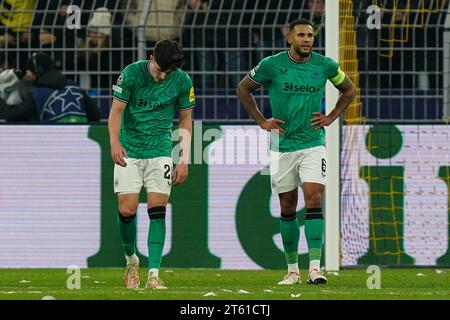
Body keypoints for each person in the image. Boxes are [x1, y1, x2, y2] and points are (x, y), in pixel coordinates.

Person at [236, 19, 356, 285]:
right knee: (287, 206)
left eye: (310, 35)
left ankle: (315, 268)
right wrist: (261, 120)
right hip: (282, 145)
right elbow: (243, 88)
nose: (307, 39)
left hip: (313, 142)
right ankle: (292, 271)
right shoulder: (271, 65)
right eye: (301, 35)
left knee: (314, 198)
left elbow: (349, 89)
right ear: (289, 38)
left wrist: (332, 116)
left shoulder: (325, 66)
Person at [109, 39, 195, 289]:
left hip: (160, 151)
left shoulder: (182, 80)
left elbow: (186, 120)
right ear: (151, 57)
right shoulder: (132, 74)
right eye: (160, 69)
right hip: (131, 152)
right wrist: (114, 143)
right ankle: (131, 260)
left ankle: (154, 275)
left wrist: (184, 159)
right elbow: (116, 111)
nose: (163, 76)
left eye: (168, 72)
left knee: (158, 211)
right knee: (127, 210)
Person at [0, 52, 100, 123]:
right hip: (81, 141)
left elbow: (12, 116)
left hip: (54, 144)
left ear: (37, 71)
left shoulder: (37, 95)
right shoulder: (73, 86)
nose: (27, 74)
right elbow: (95, 115)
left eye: (29, 70)